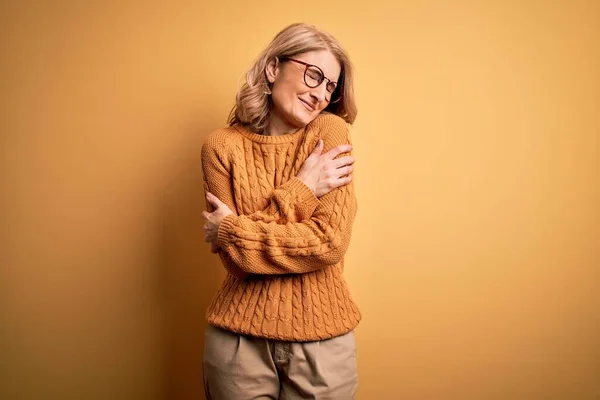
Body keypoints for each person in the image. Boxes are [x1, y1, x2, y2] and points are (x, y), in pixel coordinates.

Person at [200, 22, 361, 400]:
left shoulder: (330, 133)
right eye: (314, 75)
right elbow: (237, 263)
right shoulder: (221, 147)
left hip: (324, 344)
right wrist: (302, 189)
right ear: (273, 69)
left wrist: (230, 230)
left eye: (330, 86)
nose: (322, 93)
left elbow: (329, 243)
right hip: (237, 345)